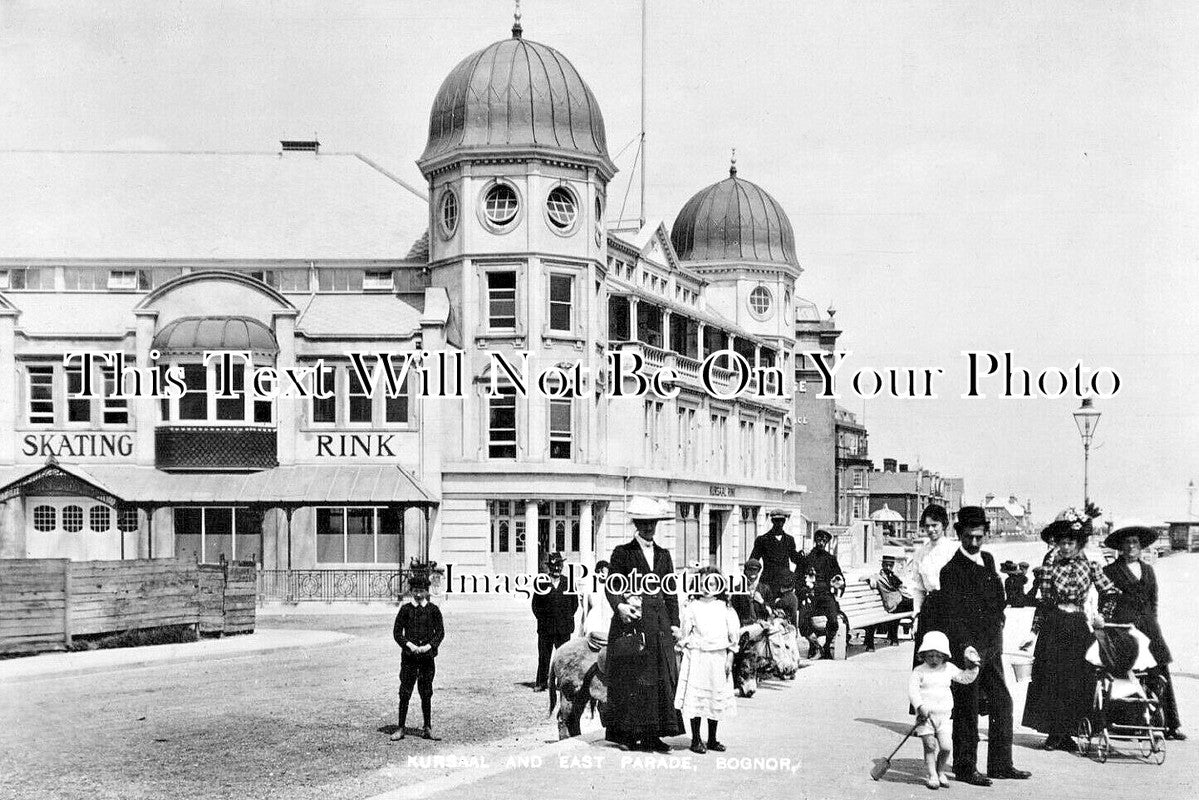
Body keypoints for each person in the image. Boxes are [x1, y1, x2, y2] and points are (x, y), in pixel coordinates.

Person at [938, 505, 1030, 785]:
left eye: (979, 536)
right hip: (969, 651)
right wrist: (965, 648)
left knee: (1003, 704)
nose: (975, 542)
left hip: (992, 647)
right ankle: (966, 767)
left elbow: (997, 601)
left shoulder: (989, 560)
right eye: (969, 537)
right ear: (959, 534)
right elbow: (952, 616)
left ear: (986, 534)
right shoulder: (951, 571)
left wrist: (1002, 616)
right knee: (966, 710)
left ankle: (1001, 764)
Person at [1021, 509, 1121, 752]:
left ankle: (1071, 732)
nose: (1065, 547)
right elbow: (1043, 604)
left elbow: (1110, 592)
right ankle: (1054, 734)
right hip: (1054, 624)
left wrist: (1102, 616)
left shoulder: (1091, 566)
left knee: (1077, 679)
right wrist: (1032, 633)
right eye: (1061, 543)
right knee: (1052, 678)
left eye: (1070, 543)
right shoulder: (1049, 568)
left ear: (1079, 543)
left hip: (1078, 625)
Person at [604, 496, 685, 752]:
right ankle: (629, 735)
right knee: (635, 680)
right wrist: (620, 606)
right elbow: (612, 586)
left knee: (660, 680)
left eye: (652, 523)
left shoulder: (664, 555)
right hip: (634, 625)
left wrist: (675, 624)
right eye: (644, 523)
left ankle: (654, 734)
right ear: (636, 524)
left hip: (659, 626)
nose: (649, 527)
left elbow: (671, 593)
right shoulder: (622, 553)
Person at [1102, 521, 1185, 740]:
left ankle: (1169, 725)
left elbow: (1153, 601)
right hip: (1124, 630)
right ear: (1120, 547)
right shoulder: (1110, 571)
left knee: (1159, 673)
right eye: (1127, 542)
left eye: (1135, 542)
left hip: (1149, 629)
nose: (1131, 546)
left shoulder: (1148, 570)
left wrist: (1152, 624)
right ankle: (1127, 725)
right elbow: (1105, 604)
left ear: (1141, 546)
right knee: (1127, 675)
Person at [674, 565, 740, 754]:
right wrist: (683, 647)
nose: (707, 587)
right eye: (702, 583)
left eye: (712, 583)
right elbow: (685, 633)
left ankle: (712, 738)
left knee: (714, 697)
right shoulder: (692, 607)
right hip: (697, 657)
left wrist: (730, 657)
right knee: (697, 699)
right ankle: (696, 739)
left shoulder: (725, 608)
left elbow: (732, 637)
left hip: (718, 657)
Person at [909, 632, 981, 790]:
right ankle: (931, 774)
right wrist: (920, 706)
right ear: (923, 655)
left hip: (944, 716)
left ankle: (940, 771)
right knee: (929, 746)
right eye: (930, 656)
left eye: (938, 656)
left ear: (944, 655)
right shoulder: (919, 671)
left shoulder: (948, 668)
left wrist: (973, 667)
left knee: (946, 747)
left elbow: (964, 678)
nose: (934, 659)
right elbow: (913, 692)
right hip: (925, 717)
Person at [391, 575, 444, 741]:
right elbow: (397, 633)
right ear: (411, 591)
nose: (418, 594)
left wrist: (429, 646)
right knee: (405, 692)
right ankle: (401, 728)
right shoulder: (405, 610)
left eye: (421, 591)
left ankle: (427, 728)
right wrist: (409, 645)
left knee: (426, 692)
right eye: (415, 591)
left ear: (427, 591)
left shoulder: (433, 610)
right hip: (409, 658)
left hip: (427, 658)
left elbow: (440, 633)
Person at [905, 504, 958, 670]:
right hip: (930, 607)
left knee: (949, 653)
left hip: (951, 606)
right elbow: (919, 588)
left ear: (943, 525)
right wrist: (916, 616)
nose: (930, 529)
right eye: (927, 526)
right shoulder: (921, 552)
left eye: (934, 525)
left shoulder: (954, 549)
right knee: (926, 653)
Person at [532, 552, 579, 692]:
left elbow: (574, 604)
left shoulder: (568, 582)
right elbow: (535, 606)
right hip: (546, 628)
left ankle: (562, 682)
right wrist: (544, 619)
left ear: (562, 566)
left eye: (559, 565)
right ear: (549, 567)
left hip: (563, 628)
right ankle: (541, 682)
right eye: (554, 566)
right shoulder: (542, 582)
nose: (557, 569)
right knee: (544, 656)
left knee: (563, 657)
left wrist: (566, 618)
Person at [749, 509, 805, 626]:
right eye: (776, 521)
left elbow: (795, 558)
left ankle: (792, 634)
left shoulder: (789, 540)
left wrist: (804, 557)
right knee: (764, 611)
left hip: (785, 586)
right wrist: (750, 578)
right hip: (768, 583)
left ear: (784, 522)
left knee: (792, 606)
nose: (779, 524)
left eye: (781, 521)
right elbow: (753, 560)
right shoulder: (762, 540)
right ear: (772, 521)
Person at [804, 529, 844, 659]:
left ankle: (826, 646)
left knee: (833, 620)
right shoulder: (808, 558)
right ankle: (814, 645)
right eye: (819, 540)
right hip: (811, 595)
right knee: (803, 621)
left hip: (826, 595)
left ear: (826, 542)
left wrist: (838, 583)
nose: (821, 543)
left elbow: (839, 577)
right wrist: (804, 590)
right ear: (815, 541)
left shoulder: (830, 559)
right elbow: (799, 577)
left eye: (824, 541)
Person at [865, 557, 913, 650]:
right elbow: (862, 578)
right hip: (893, 604)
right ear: (882, 565)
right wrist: (871, 579)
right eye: (886, 565)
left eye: (890, 565)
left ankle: (893, 635)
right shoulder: (878, 576)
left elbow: (900, 586)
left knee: (919, 603)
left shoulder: (893, 576)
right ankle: (893, 636)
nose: (888, 567)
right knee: (918, 604)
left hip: (900, 601)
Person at [577, 559, 613, 646]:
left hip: (608, 621)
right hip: (594, 622)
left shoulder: (613, 587)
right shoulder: (590, 587)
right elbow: (585, 609)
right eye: (600, 572)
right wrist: (583, 628)